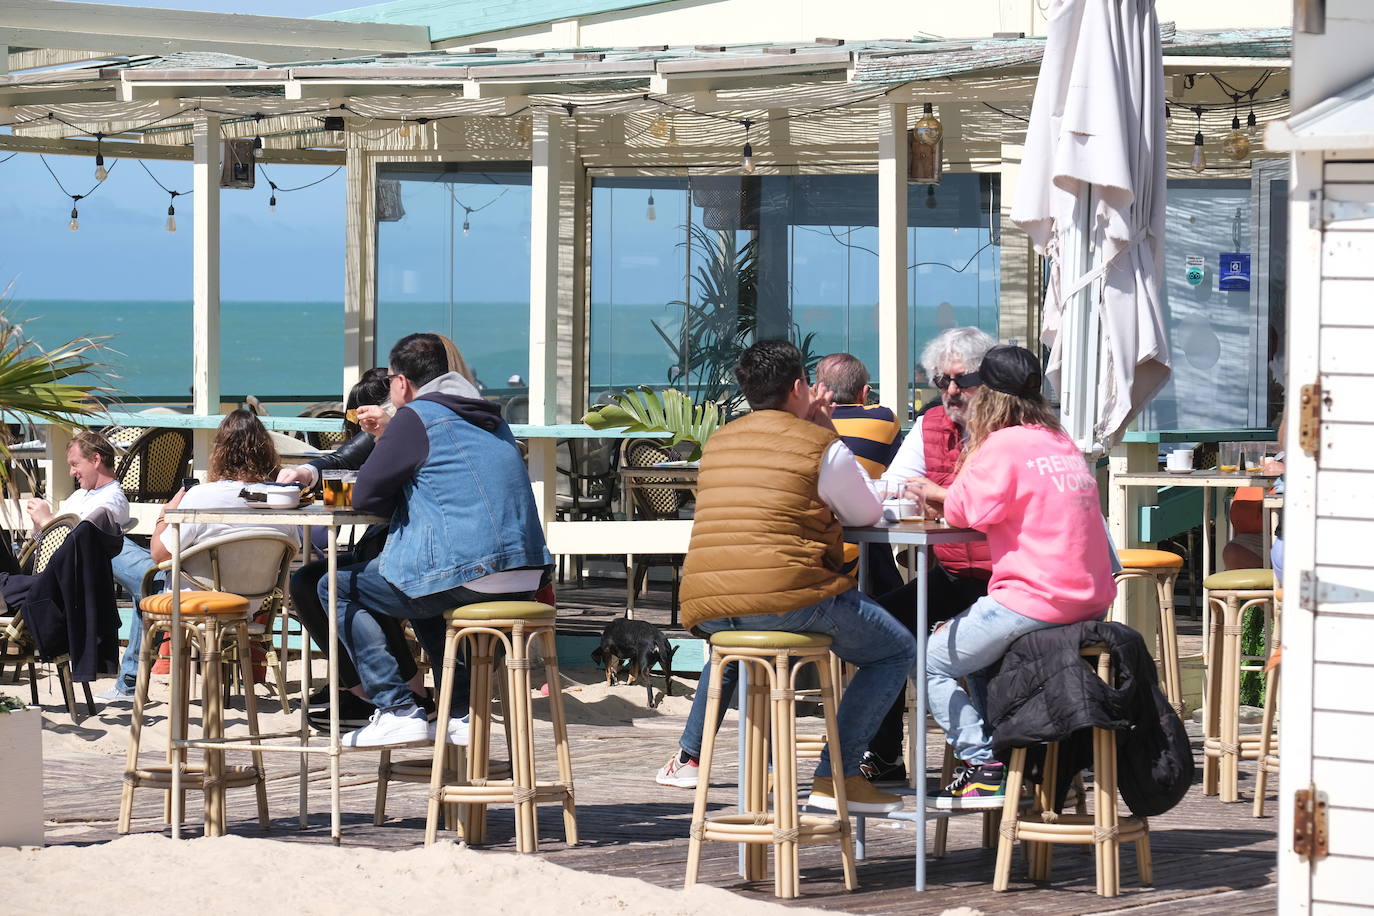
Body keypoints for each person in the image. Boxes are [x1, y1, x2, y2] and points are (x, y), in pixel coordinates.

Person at [655, 339, 918, 814]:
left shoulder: (720, 441)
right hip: (788, 598)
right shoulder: (820, 445)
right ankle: (838, 775)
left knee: (751, 641)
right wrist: (824, 428)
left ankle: (729, 766)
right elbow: (866, 511)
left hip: (708, 607)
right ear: (799, 387)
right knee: (895, 649)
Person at [907, 345, 1117, 809]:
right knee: (978, 653)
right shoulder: (1059, 440)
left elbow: (967, 510)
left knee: (929, 659)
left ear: (989, 395)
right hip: (1091, 598)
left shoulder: (1003, 444)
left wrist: (937, 489)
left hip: (1037, 597)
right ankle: (1015, 758)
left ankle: (983, 766)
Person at [329, 332, 552, 747]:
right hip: (527, 575)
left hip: (472, 572)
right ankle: (460, 710)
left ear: (400, 382)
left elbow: (365, 496)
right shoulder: (491, 417)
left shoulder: (416, 416)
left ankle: (396, 707)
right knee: (421, 584)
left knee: (335, 586)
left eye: (391, 381)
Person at [858, 327, 998, 784]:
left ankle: (996, 758)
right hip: (955, 570)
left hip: (1005, 576)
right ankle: (884, 754)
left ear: (989, 380)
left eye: (962, 379)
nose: (951, 391)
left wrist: (936, 495)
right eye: (942, 381)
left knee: (972, 649)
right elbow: (894, 486)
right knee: (880, 625)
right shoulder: (931, 423)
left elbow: (992, 504)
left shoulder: (1009, 432)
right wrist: (917, 495)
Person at [102, 410, 296, 700]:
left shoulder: (202, 496)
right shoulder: (280, 499)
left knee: (111, 546)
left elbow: (159, 554)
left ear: (220, 451)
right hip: (251, 603)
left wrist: (166, 514)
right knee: (145, 578)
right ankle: (128, 676)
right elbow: (293, 551)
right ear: (266, 450)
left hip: (195, 603)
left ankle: (128, 681)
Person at [4, 430, 129, 575]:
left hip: (56, 577)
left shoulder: (111, 502)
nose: (71, 472)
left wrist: (46, 521)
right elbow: (45, 540)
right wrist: (38, 524)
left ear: (96, 460)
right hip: (37, 567)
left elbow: (77, 546)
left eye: (75, 464)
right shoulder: (81, 494)